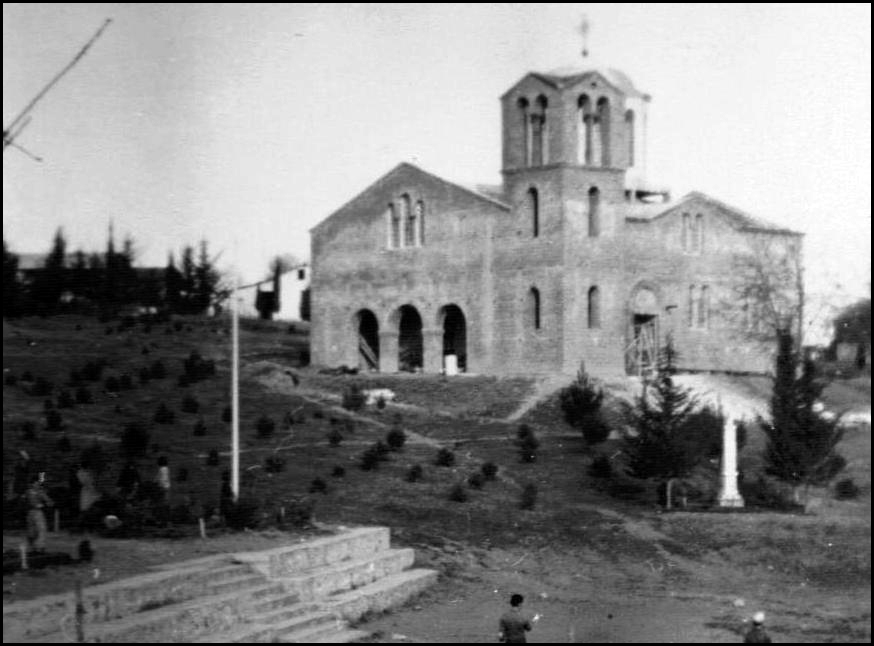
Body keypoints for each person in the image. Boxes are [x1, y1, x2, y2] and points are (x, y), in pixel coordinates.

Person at [25, 473, 53, 553]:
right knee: (32, 531)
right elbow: (32, 501)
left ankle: (41, 547)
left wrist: (49, 502)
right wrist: (44, 503)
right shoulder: (30, 491)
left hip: (37, 512)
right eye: (36, 483)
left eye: (38, 482)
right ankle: (33, 547)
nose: (38, 484)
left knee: (41, 529)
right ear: (33, 483)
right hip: (31, 512)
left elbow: (48, 500)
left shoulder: (39, 491)